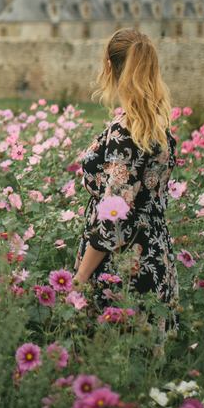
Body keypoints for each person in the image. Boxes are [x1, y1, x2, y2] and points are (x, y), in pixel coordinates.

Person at [72, 28, 180, 332]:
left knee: (111, 363)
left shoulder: (125, 132)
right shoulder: (158, 127)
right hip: (155, 257)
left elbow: (112, 220)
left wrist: (80, 279)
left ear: (109, 66)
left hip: (119, 270)